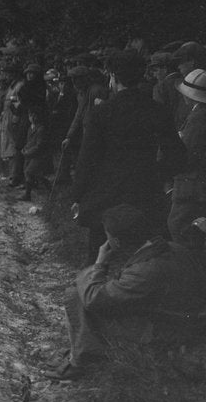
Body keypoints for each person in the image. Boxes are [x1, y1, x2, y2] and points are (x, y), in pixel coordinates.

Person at [44, 205, 206, 381]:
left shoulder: (145, 270)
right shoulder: (169, 248)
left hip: (167, 332)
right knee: (87, 293)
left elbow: (95, 300)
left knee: (75, 295)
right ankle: (85, 349)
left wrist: (99, 264)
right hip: (183, 320)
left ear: (117, 242)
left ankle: (80, 362)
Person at [71, 50, 186, 264]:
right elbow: (178, 156)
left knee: (100, 254)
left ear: (113, 77)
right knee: (145, 257)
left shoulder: (101, 113)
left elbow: (87, 159)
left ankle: (93, 291)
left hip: (105, 195)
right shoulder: (157, 111)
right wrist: (157, 173)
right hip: (145, 192)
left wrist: (78, 195)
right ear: (142, 75)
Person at [168, 69, 206, 243]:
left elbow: (187, 152)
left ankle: (188, 265)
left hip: (192, 182)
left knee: (178, 225)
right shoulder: (198, 113)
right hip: (198, 180)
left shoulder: (199, 116)